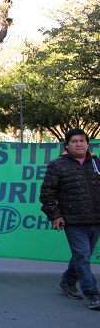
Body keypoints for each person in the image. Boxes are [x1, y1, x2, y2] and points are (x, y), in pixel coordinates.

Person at [39, 128, 100, 310]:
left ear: (88, 144)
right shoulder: (57, 165)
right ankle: (92, 293)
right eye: (74, 141)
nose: (79, 144)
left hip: (96, 219)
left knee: (84, 255)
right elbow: (47, 193)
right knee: (82, 255)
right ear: (67, 145)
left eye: (82, 141)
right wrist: (55, 215)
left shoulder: (96, 163)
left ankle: (67, 281)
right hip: (73, 221)